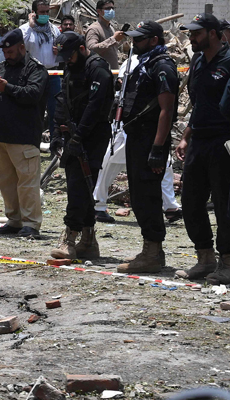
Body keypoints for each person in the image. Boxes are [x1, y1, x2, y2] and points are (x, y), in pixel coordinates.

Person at [116, 21, 179, 274]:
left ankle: (152, 252)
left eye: (139, 39)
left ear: (154, 40)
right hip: (137, 137)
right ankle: (151, 250)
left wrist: (157, 148)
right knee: (139, 195)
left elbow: (166, 110)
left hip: (150, 140)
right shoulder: (144, 63)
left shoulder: (162, 65)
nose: (134, 43)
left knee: (148, 196)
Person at [92, 53, 182, 224]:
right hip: (127, 123)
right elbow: (120, 86)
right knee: (109, 162)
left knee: (164, 164)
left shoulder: (160, 63)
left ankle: (170, 206)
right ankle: (98, 204)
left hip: (149, 124)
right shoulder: (131, 61)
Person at [174, 14, 230, 283]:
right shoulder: (197, 60)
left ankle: (227, 262)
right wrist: (186, 135)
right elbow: (198, 103)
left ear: (213, 33)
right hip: (199, 140)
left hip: (224, 141)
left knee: (224, 204)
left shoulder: (229, 60)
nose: (191, 38)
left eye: (196, 34)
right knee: (191, 201)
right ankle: (205, 258)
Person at [49, 32, 114, 260]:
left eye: (70, 55)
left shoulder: (98, 69)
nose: (67, 60)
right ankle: (88, 239)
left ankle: (70, 237)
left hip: (93, 135)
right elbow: (63, 99)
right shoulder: (70, 66)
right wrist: (57, 132)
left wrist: (79, 137)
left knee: (81, 185)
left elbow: (95, 108)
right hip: (73, 134)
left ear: (82, 49)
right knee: (80, 186)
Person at [0, 29, 48, 238]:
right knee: (6, 181)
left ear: (22, 47)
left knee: (27, 182)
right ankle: (14, 220)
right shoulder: (2, 67)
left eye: (11, 52)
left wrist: (7, 88)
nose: (7, 56)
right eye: (5, 52)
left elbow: (32, 94)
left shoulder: (36, 69)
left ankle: (31, 224)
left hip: (24, 135)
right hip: (0, 134)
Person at [20, 0, 60, 138]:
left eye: (47, 12)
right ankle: (32, 141)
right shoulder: (25, 29)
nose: (45, 15)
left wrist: (59, 50)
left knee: (55, 110)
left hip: (53, 74)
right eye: (42, 12)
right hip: (34, 75)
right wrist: (31, 26)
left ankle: (55, 144)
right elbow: (21, 47)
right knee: (34, 109)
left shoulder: (54, 30)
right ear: (34, 13)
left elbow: (62, 49)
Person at [85, 0, 125, 69]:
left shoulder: (111, 28)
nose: (111, 11)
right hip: (101, 73)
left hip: (113, 72)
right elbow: (91, 49)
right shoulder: (94, 29)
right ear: (99, 11)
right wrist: (113, 39)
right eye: (108, 9)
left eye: (113, 8)